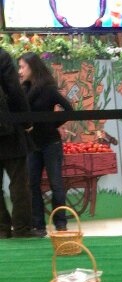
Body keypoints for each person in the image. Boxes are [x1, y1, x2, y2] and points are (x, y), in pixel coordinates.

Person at [19, 53, 73, 236]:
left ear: (32, 67)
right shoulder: (24, 91)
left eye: (22, 67)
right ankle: (38, 225)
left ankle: (61, 224)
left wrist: (52, 124)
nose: (20, 71)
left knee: (56, 184)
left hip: (51, 143)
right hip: (33, 145)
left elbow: (69, 110)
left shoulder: (48, 90)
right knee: (32, 184)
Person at [0, 48, 33, 238]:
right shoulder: (2, 56)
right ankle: (22, 228)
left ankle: (2, 229)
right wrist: (26, 121)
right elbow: (14, 90)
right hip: (8, 130)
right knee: (19, 182)